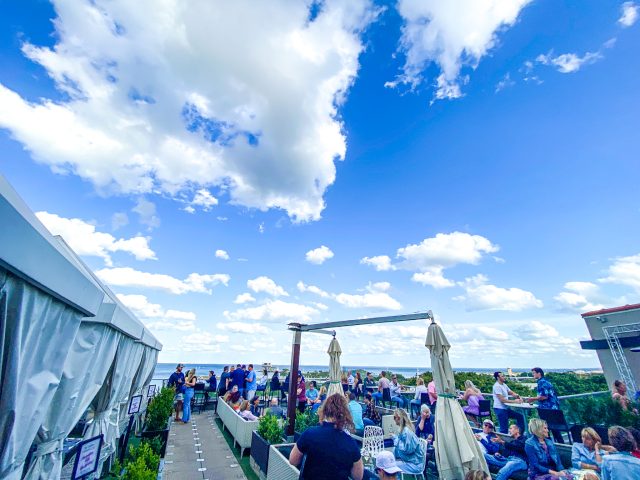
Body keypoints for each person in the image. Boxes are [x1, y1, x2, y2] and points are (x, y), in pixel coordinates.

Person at [289, 393, 365, 480]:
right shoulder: (350, 443)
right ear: (345, 414)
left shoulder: (310, 433)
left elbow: (293, 460)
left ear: (324, 410)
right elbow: (358, 476)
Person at [392, 408, 425, 475]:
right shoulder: (403, 430)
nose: (394, 419)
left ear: (398, 418)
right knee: (391, 464)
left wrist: (395, 439)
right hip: (411, 461)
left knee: (391, 467)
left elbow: (407, 450)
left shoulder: (406, 432)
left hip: (415, 464)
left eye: (394, 417)